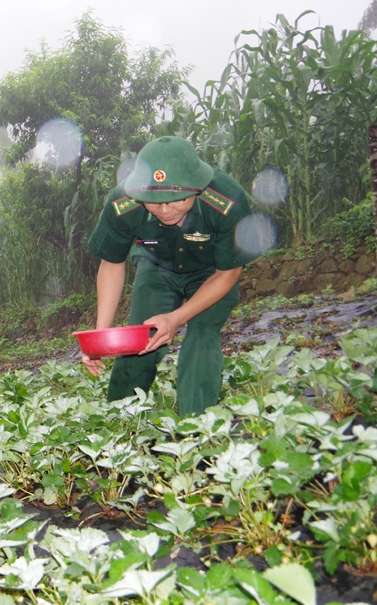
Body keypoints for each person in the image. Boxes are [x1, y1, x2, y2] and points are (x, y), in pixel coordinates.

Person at [83, 136, 256, 416]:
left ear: (197, 188)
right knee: (141, 339)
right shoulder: (122, 203)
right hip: (156, 267)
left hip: (210, 273)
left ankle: (196, 429)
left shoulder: (227, 201)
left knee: (201, 337)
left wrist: (176, 318)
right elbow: (112, 264)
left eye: (176, 199)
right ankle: (120, 422)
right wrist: (99, 336)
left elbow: (228, 272)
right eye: (154, 202)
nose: (165, 210)